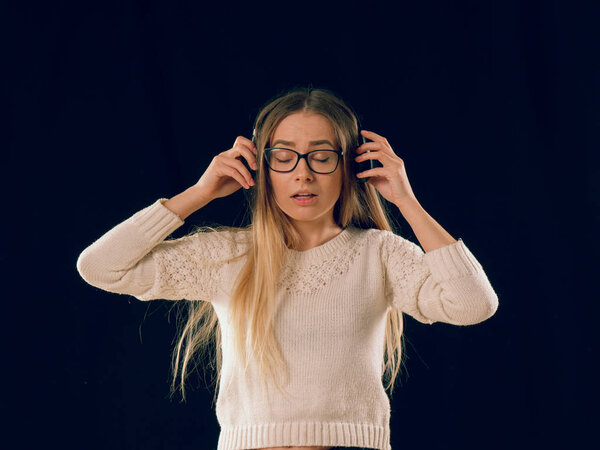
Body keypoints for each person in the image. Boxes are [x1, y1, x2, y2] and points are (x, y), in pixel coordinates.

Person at [76, 86, 499, 450]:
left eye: (321, 156)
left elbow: (473, 305)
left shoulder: (380, 254)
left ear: (349, 166)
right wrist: (199, 193)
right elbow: (100, 267)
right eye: (284, 157)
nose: (303, 174)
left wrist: (406, 200)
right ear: (261, 167)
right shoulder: (229, 255)